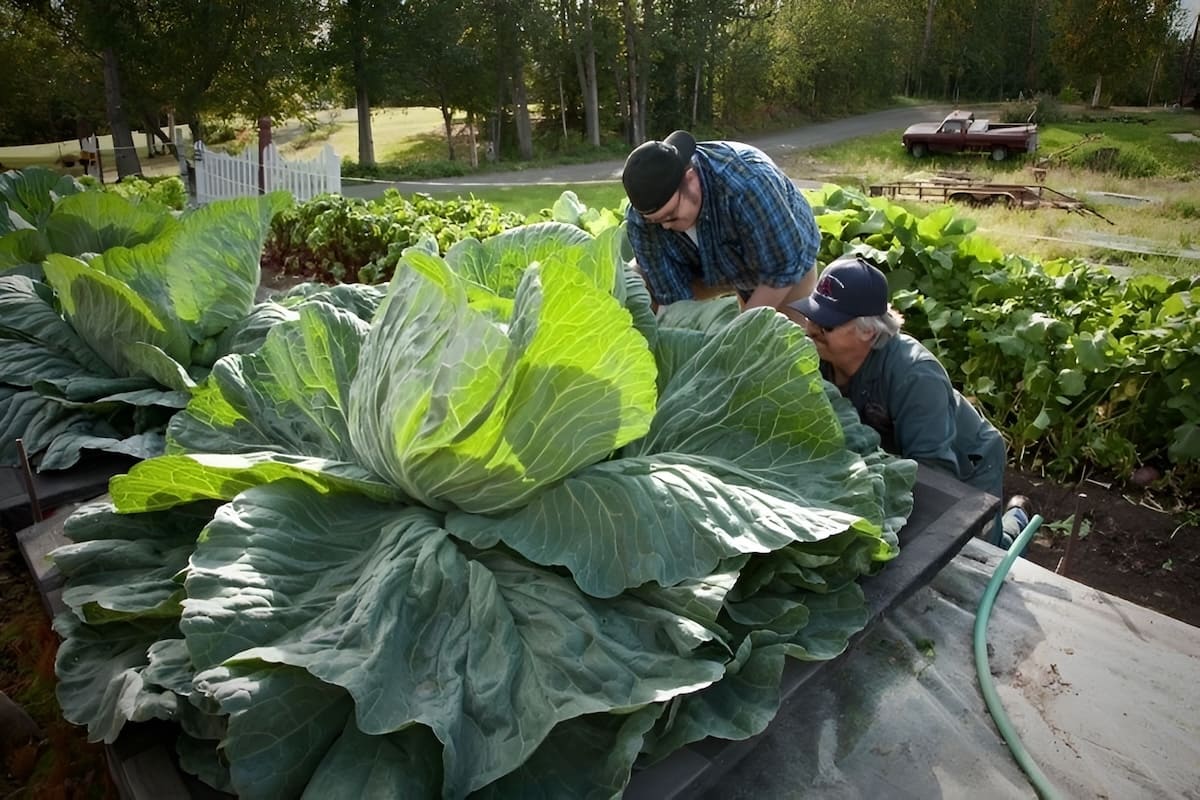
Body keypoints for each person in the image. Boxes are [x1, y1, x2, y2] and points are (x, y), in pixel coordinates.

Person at [788, 254, 1029, 549]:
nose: (811, 328)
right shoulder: (816, 355)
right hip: (898, 457)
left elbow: (933, 476)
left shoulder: (916, 375)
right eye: (811, 315)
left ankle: (1017, 519)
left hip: (966, 464)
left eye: (826, 324)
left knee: (979, 553)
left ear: (868, 331)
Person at [620, 130, 820, 323]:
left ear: (690, 180)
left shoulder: (748, 184)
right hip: (703, 267)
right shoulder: (641, 220)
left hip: (784, 256)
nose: (664, 226)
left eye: (671, 215)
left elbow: (783, 268)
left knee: (778, 343)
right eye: (657, 221)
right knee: (634, 282)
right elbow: (675, 300)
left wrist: (741, 332)